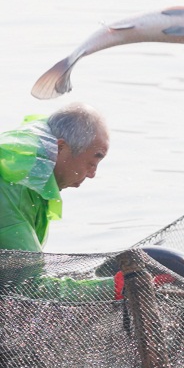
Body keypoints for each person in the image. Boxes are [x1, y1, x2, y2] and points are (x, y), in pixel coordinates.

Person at [0, 102, 116, 300]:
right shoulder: (13, 191)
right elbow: (31, 287)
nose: (92, 174)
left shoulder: (29, 178)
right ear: (61, 147)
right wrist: (117, 286)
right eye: (92, 161)